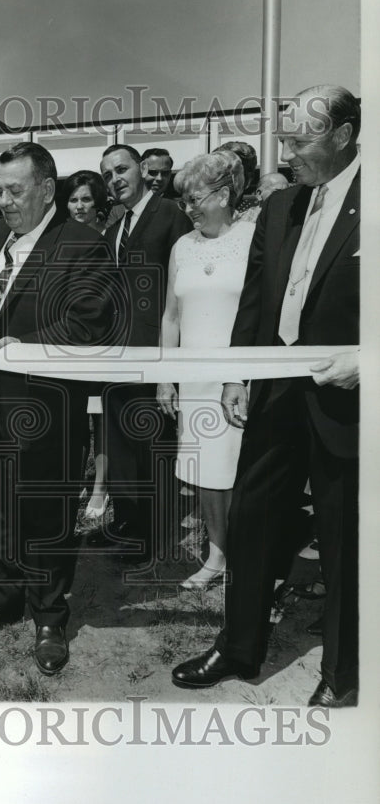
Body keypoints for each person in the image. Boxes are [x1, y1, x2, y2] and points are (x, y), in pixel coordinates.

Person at [172, 85, 360, 707]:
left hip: (347, 399)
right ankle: (239, 647)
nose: (285, 153)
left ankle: (341, 669)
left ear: (344, 134)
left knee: (340, 534)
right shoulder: (281, 210)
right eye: (283, 138)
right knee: (250, 520)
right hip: (276, 391)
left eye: (300, 140)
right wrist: (237, 374)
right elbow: (256, 302)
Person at [0, 142, 114, 676]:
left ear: (47, 190)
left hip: (44, 406)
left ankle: (49, 614)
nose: (3, 201)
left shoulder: (83, 244)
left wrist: (17, 348)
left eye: (14, 190)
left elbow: (87, 324)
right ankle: (3, 596)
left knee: (45, 512)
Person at [157, 151, 253, 588]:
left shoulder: (254, 238)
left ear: (225, 193)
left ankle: (253, 559)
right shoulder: (182, 247)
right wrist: (165, 375)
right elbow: (171, 317)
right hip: (194, 378)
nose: (190, 209)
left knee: (242, 471)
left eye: (196, 198)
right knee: (206, 474)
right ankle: (218, 555)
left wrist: (244, 376)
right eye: (185, 201)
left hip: (241, 377)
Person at [97, 144, 191, 560]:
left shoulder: (170, 215)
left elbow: (182, 293)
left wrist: (171, 366)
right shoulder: (115, 228)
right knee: (119, 446)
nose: (114, 179)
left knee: (151, 446)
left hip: (155, 355)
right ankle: (127, 522)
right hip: (116, 356)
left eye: (121, 169)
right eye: (107, 175)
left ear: (141, 169)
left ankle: (153, 536)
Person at [60, 170, 110, 523]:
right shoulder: (60, 239)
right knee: (73, 416)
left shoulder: (111, 238)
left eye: (86, 199)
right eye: (74, 199)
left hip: (105, 341)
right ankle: (77, 478)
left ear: (98, 204)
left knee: (101, 419)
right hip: (69, 343)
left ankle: (100, 488)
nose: (79, 206)